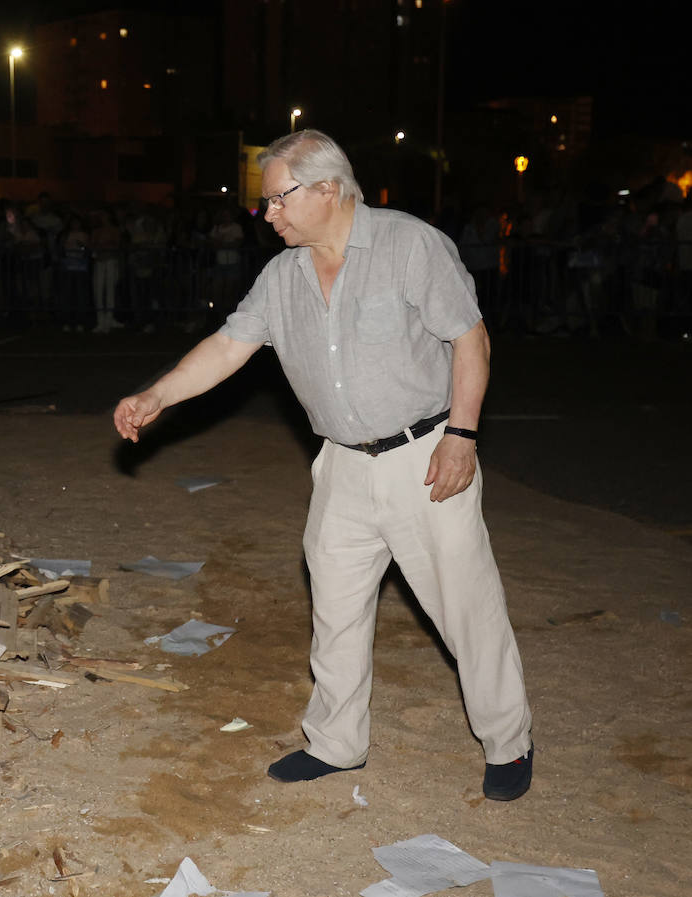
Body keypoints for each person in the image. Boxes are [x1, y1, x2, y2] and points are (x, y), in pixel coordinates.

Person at [113, 130, 534, 801]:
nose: (267, 215)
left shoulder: (408, 245)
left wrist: (462, 434)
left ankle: (508, 742)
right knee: (335, 606)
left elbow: (469, 335)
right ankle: (337, 742)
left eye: (277, 200)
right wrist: (155, 394)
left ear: (328, 189)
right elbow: (228, 346)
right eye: (266, 206)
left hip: (426, 455)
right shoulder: (283, 277)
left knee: (464, 605)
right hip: (341, 464)